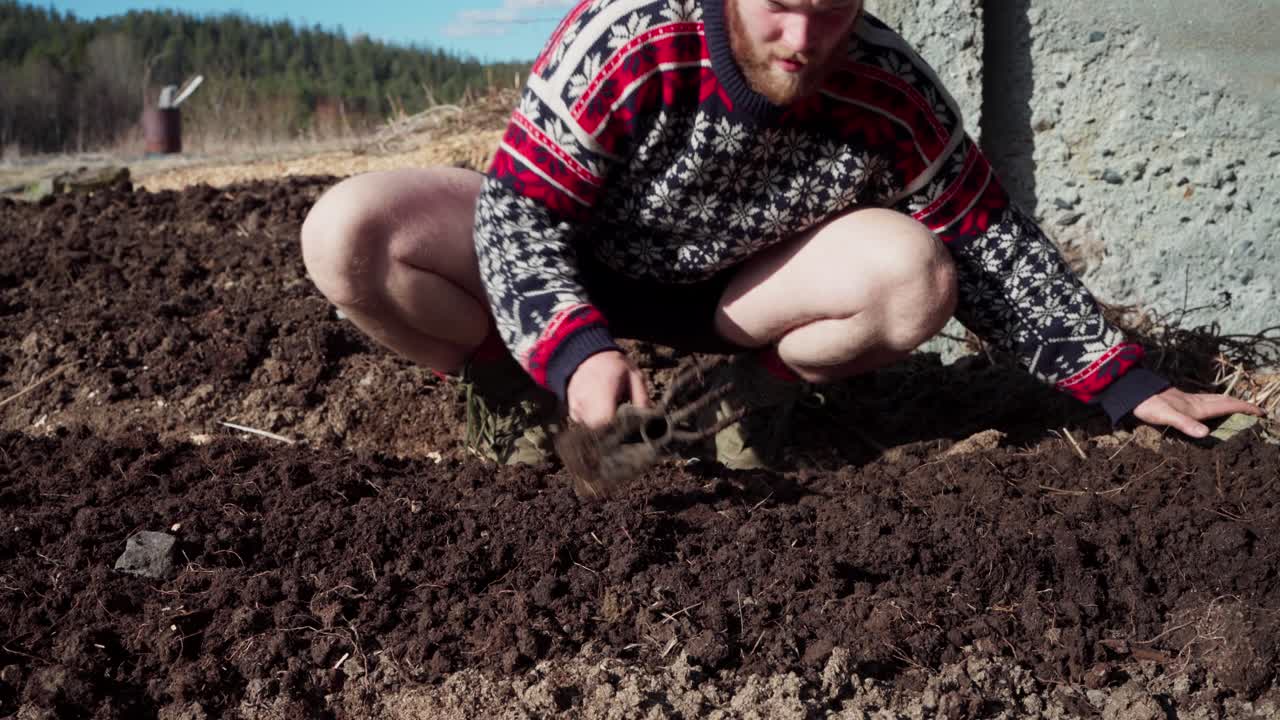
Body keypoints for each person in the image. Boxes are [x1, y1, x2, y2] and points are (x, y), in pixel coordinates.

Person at [300, 0, 1262, 468]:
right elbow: (520, 214)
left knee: (915, 272)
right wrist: (572, 352)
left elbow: (987, 239)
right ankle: (520, 404)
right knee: (347, 233)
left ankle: (732, 409)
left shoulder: (887, 82)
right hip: (583, 259)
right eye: (778, 6)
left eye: (830, 7)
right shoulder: (629, 36)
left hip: (743, 297)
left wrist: (1123, 380)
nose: (803, 40)